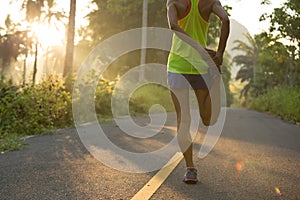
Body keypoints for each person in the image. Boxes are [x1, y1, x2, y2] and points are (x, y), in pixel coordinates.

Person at [166, 0, 230, 184]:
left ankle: (190, 168)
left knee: (183, 119)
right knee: (207, 119)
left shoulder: (174, 2)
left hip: (178, 65)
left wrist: (199, 49)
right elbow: (225, 20)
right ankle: (190, 166)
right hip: (200, 66)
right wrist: (219, 53)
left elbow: (173, 25)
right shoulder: (210, 2)